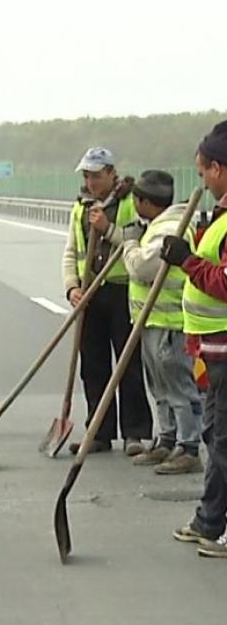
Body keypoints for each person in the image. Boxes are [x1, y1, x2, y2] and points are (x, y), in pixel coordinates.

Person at [163, 120, 227, 558]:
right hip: (209, 349)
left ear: (219, 169)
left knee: (224, 441)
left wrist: (187, 261)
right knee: (215, 437)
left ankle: (216, 525)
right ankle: (209, 520)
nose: (200, 180)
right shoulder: (220, 215)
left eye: (203, 170)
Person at [62, 147, 151, 455]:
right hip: (90, 292)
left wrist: (106, 229)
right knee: (94, 365)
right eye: (87, 176)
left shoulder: (131, 202)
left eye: (97, 176)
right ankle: (99, 432)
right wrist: (72, 286)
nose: (91, 182)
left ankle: (135, 433)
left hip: (122, 290)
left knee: (128, 364)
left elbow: (135, 242)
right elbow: (71, 250)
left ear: (111, 173)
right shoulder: (80, 206)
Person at [121, 170, 204, 475]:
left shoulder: (169, 227)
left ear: (144, 202)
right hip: (152, 320)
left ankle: (189, 446)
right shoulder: (157, 225)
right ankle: (167, 439)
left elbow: (144, 267)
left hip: (170, 323)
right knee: (160, 387)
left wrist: (129, 246)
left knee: (178, 388)